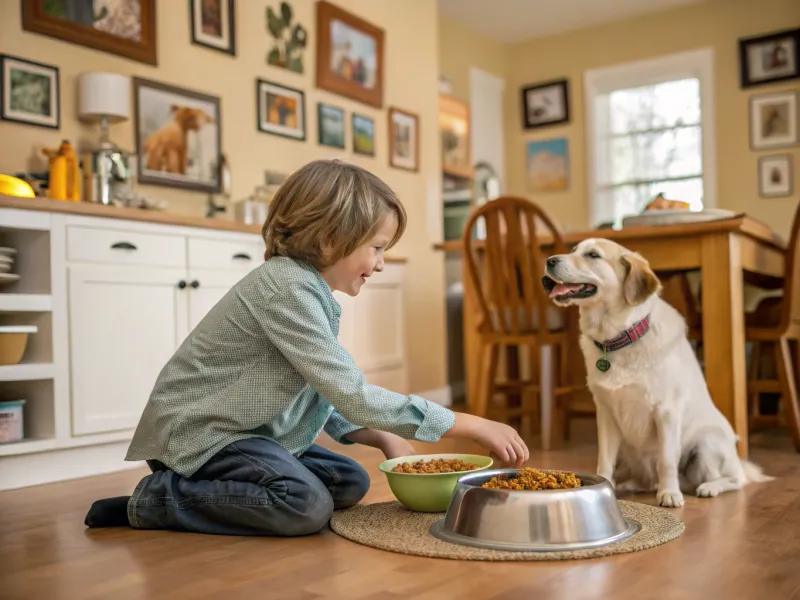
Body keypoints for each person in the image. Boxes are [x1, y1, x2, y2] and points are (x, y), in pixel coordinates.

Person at [84, 159, 529, 537]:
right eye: (376, 248)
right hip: (203, 436)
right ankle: (154, 500)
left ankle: (222, 493)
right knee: (304, 505)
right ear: (331, 240)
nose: (379, 263)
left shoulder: (307, 291)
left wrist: (384, 436)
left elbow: (322, 393)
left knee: (349, 481)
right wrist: (468, 423)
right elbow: (351, 391)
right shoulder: (285, 289)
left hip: (251, 434)